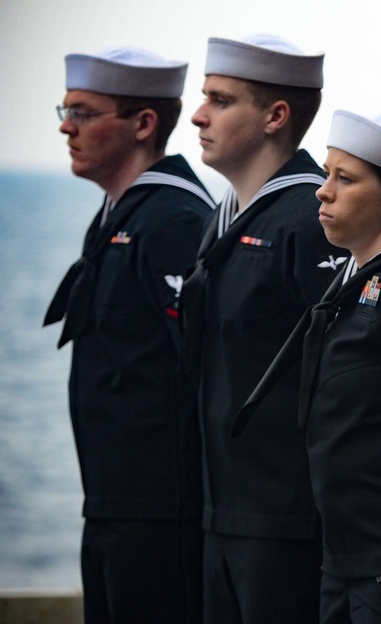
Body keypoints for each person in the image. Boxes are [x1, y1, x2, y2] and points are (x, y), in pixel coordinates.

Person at [233, 110, 381, 623]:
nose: (323, 191)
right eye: (326, 174)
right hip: (345, 554)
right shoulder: (356, 275)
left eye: (345, 178)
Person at [44, 46, 213, 623]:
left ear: (143, 124)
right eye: (64, 110)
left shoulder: (173, 220)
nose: (67, 126)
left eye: (85, 113)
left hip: (160, 506)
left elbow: (202, 365)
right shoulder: (122, 215)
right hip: (116, 499)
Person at [182, 34, 343, 623]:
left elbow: (339, 376)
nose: (198, 115)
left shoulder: (312, 217)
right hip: (222, 510)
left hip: (286, 520)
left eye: (221, 100)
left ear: (276, 116)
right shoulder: (222, 220)